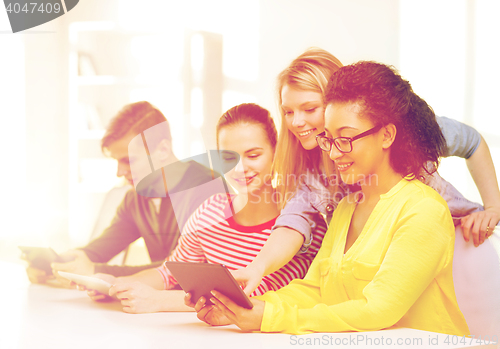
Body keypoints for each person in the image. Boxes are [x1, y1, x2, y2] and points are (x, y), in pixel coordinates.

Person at [191, 61, 470, 335]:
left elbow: (378, 309)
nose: (334, 154)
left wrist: (269, 317)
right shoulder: (345, 208)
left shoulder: (423, 210)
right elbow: (314, 289)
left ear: (386, 135)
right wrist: (241, 308)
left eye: (345, 139)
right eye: (329, 140)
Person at [232, 48, 500, 295]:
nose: (297, 121)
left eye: (309, 109)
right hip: (402, 268)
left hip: (465, 244)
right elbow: (292, 224)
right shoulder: (311, 175)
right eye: (288, 111)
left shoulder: (400, 129)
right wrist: (258, 267)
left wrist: (492, 208)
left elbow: (471, 141)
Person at [83, 103, 327, 313]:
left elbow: (254, 298)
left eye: (253, 155)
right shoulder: (209, 212)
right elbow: (169, 273)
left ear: (276, 152)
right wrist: (116, 284)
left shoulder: (300, 228)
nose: (240, 169)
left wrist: (159, 301)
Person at [25, 101, 223, 284]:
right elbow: (97, 251)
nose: (119, 172)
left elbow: (188, 270)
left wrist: (94, 271)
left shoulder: (208, 189)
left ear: (163, 150)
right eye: (116, 161)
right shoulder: (135, 199)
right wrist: (54, 266)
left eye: (128, 161)